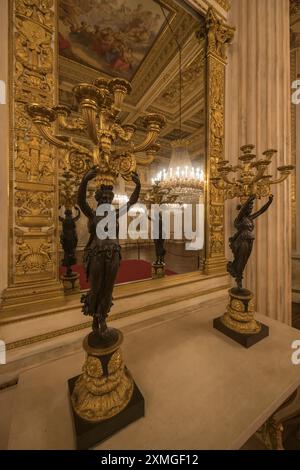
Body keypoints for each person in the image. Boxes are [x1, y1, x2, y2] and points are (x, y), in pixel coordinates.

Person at [78, 167, 141, 347]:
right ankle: (94, 318)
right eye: (103, 198)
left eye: (108, 198)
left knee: (108, 289)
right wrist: (84, 181)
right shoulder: (92, 214)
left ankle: (102, 317)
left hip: (113, 253)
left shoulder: (114, 214)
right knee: (96, 288)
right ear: (98, 200)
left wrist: (138, 185)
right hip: (97, 254)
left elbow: (132, 202)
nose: (106, 199)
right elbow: (80, 201)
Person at [228, 194, 273, 290]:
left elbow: (261, 211)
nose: (251, 209)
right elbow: (243, 210)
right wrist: (249, 199)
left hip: (249, 240)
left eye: (252, 208)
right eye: (249, 207)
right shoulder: (239, 218)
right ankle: (238, 278)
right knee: (240, 260)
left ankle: (239, 276)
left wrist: (269, 202)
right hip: (242, 241)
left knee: (244, 260)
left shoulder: (250, 218)